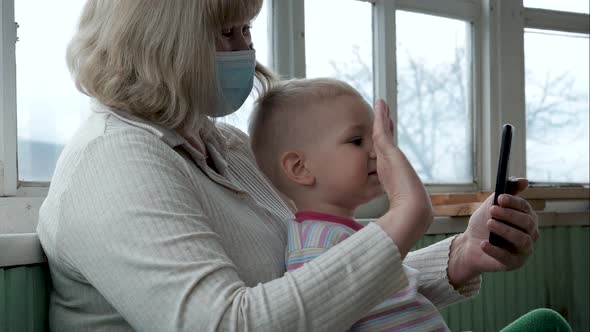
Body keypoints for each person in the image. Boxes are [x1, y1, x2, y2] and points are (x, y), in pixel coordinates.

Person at [36, 1, 541, 331]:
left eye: (246, 28)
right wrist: (400, 221)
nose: (247, 50)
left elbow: (324, 280)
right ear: (160, 45)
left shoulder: (227, 147)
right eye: (225, 32)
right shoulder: (112, 164)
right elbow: (227, 326)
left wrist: (461, 256)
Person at [249, 77, 451, 331]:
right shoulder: (315, 244)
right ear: (300, 168)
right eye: (357, 141)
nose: (377, 152)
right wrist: (406, 198)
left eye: (376, 139)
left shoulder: (344, 234)